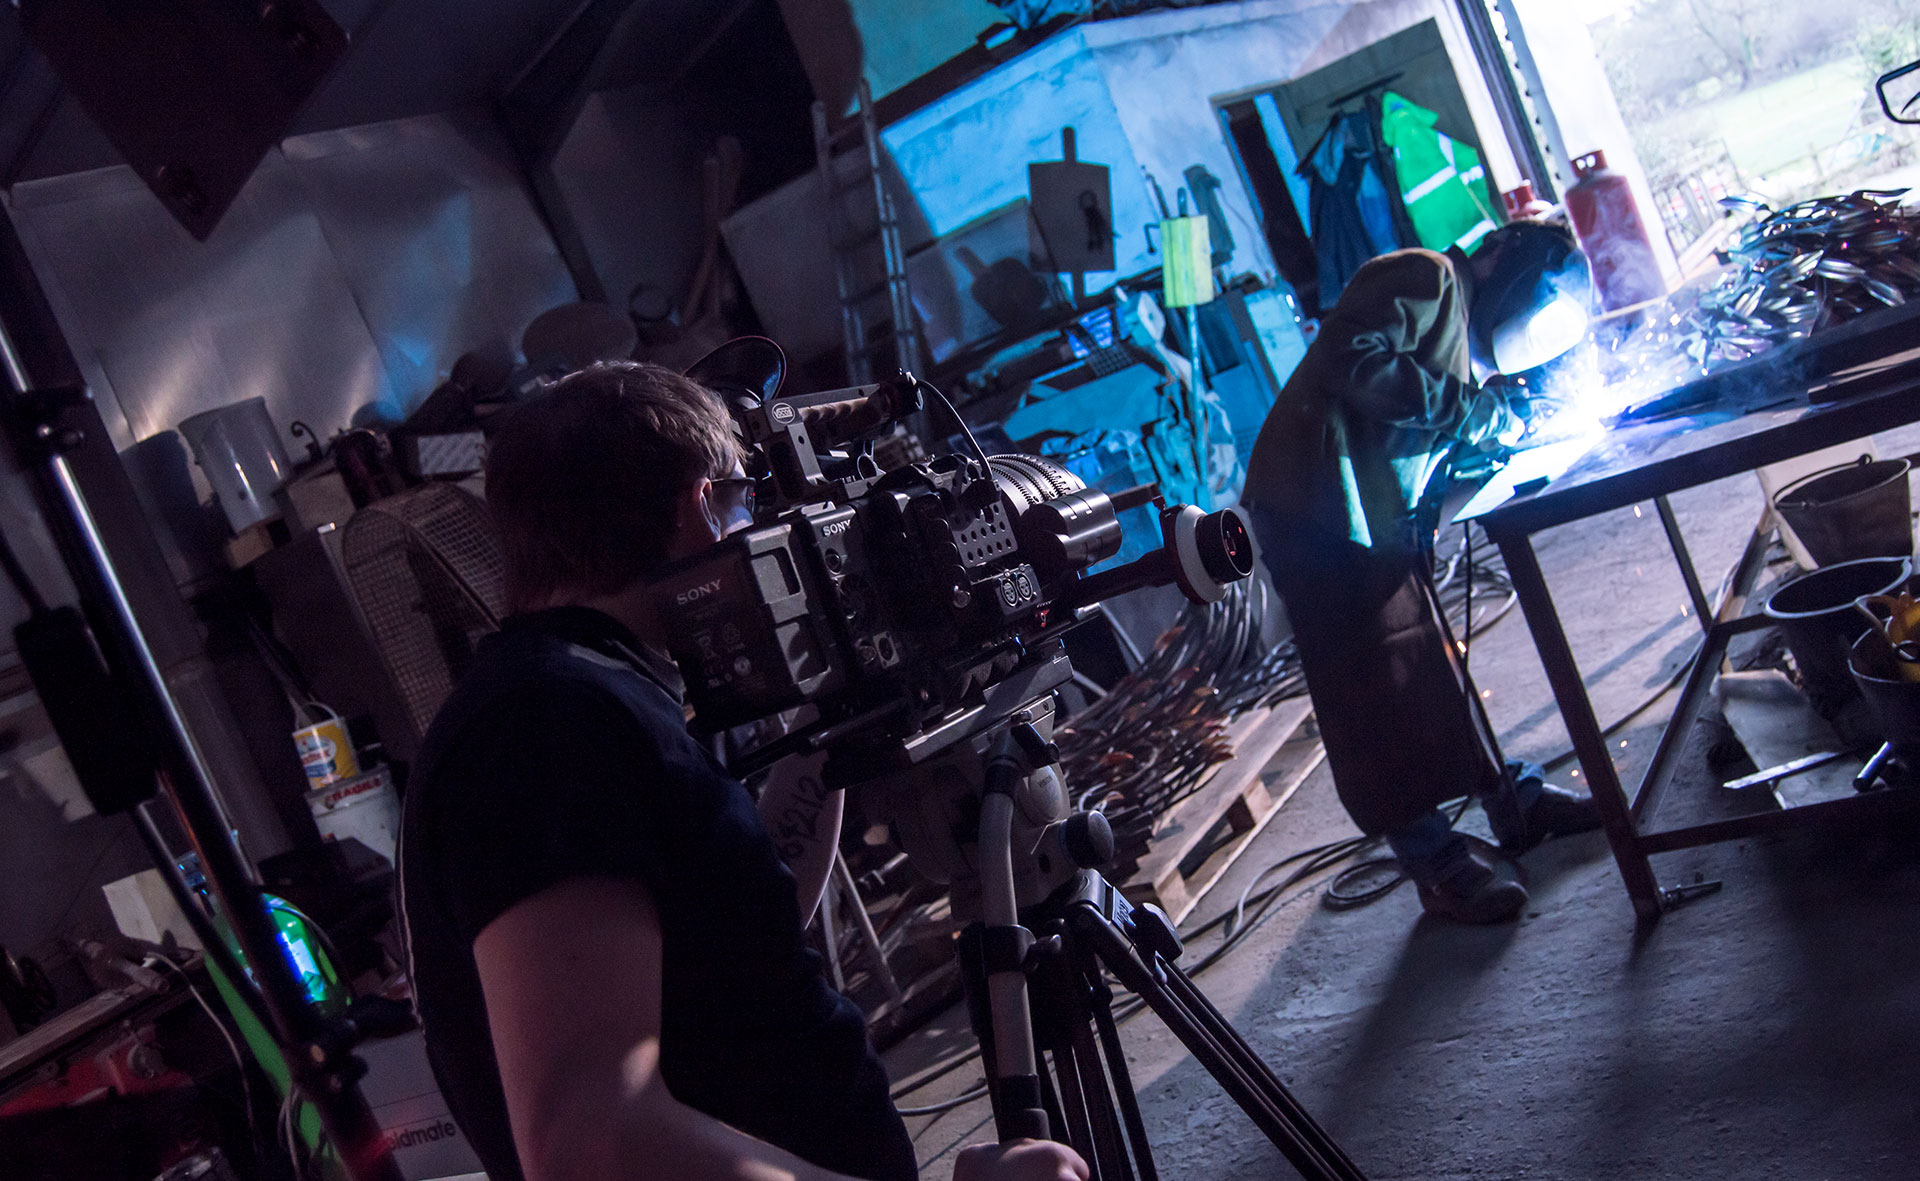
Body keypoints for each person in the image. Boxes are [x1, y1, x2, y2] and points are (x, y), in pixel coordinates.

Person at [398, 361, 1088, 1181]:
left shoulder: (613, 692)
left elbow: (729, 941)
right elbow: (590, 1139)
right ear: (701, 507)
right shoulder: (546, 724)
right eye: (744, 499)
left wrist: (822, 733)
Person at [1240, 222, 1602, 924]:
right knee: (1371, 694)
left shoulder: (1462, 341)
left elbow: (1411, 425)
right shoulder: (1425, 274)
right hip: (1315, 510)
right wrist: (1474, 415)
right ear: (1499, 258)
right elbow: (1354, 357)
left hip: (1364, 515)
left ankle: (1512, 803)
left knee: (1431, 662)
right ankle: (1433, 863)